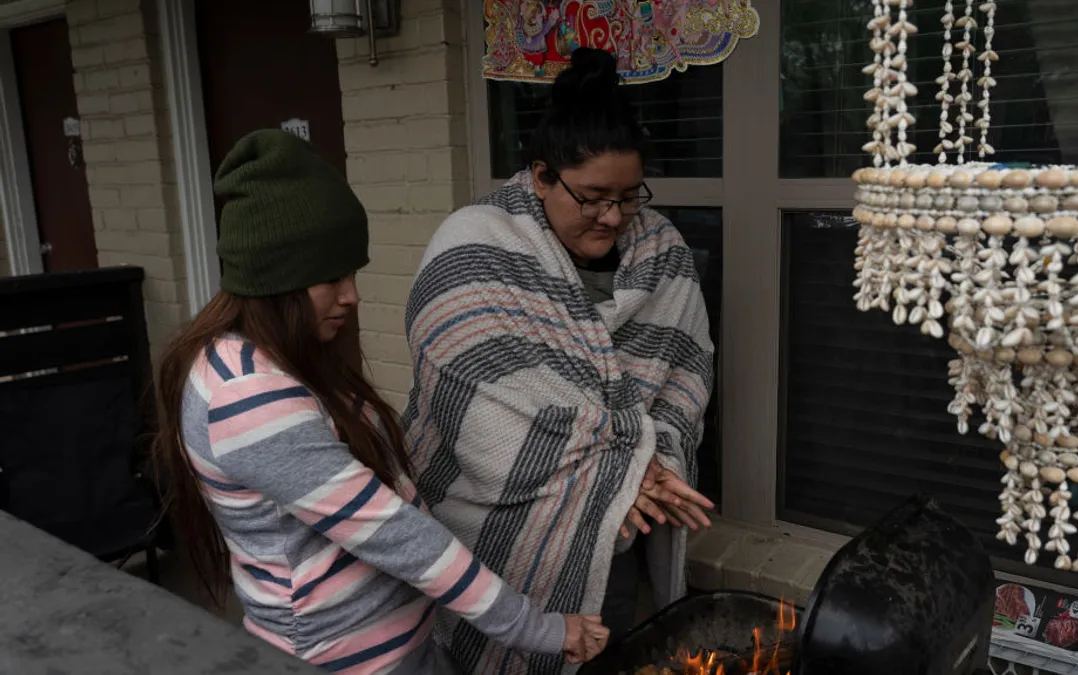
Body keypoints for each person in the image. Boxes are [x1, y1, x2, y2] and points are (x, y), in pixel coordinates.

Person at [151, 129, 608, 675]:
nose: (352, 295)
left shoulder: (280, 359)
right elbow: (394, 533)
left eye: (351, 273)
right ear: (276, 280)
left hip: (396, 648)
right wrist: (539, 628)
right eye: (329, 277)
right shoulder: (248, 395)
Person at [403, 48, 716, 675]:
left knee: (606, 650)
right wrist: (627, 467)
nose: (613, 217)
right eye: (594, 197)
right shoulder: (475, 243)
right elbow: (474, 385)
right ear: (542, 175)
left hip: (617, 532)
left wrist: (643, 468)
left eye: (630, 197)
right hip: (493, 526)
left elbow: (685, 368)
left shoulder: (661, 249)